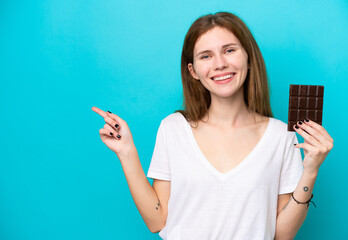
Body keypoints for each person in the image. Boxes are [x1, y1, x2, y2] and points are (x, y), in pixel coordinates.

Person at [92, 11, 334, 240]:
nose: (219, 64)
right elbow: (157, 220)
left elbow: (282, 234)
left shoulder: (282, 136)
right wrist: (127, 153)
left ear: (248, 58)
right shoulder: (173, 128)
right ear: (193, 71)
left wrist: (310, 171)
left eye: (229, 50)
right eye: (205, 56)